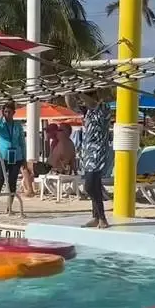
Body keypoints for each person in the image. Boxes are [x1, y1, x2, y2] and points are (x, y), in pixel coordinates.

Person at [66, 90, 112, 228]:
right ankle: (96, 217)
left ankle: (102, 217)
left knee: (89, 186)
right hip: (88, 154)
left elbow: (92, 103)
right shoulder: (88, 112)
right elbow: (71, 105)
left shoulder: (104, 108)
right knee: (94, 185)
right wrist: (68, 91)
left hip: (98, 153)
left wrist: (78, 92)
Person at [0, 101, 27, 213]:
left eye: (9, 112)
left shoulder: (18, 125)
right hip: (3, 156)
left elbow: (22, 142)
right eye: (5, 112)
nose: (7, 114)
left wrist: (24, 158)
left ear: (14, 112)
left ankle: (9, 208)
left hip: (16, 156)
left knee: (12, 182)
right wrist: (0, 117)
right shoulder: (0, 124)